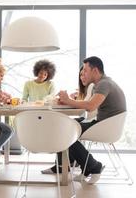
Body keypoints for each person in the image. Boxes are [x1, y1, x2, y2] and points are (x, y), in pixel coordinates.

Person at [42, 56, 126, 184]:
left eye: (85, 70)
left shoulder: (104, 84)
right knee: (67, 126)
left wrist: (69, 100)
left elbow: (91, 106)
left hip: (105, 126)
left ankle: (93, 166)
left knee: (65, 131)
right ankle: (81, 167)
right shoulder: (104, 83)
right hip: (106, 124)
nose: (83, 74)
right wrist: (68, 102)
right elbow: (89, 104)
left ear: (95, 70)